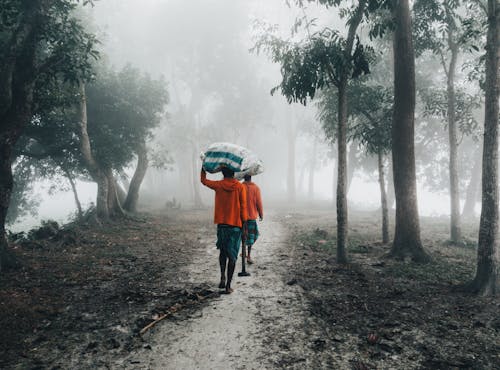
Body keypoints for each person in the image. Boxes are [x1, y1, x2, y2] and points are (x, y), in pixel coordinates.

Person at [201, 166, 248, 294]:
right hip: (235, 227)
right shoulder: (240, 187)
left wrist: (203, 167)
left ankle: (222, 276)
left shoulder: (219, 185)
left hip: (222, 225)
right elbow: (243, 207)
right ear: (234, 173)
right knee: (232, 255)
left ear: (222, 173)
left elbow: (204, 181)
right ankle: (228, 286)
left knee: (223, 251)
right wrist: (244, 227)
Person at [242, 174, 263, 264]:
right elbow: (258, 202)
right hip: (251, 216)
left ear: (243, 177)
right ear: (251, 178)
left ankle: (243, 252)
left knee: (243, 235)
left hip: (241, 217)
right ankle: (248, 256)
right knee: (251, 237)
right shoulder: (256, 188)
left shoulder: (240, 187)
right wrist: (261, 214)